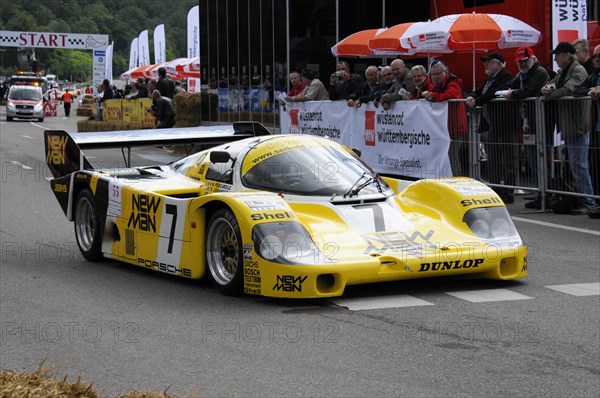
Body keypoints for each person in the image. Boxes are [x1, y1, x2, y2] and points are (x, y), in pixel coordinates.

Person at [540, 41, 595, 215]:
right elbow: (553, 85)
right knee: (575, 165)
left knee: (580, 165)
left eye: (557, 55)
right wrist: (545, 89)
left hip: (578, 125)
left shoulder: (578, 71)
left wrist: (547, 97)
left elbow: (566, 90)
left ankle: (590, 203)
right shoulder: (563, 71)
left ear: (567, 55)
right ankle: (584, 200)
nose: (555, 58)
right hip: (569, 125)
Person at [499, 47, 549, 209]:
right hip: (529, 122)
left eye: (524, 60)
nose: (521, 64)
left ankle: (545, 194)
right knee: (533, 160)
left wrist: (512, 94)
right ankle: (540, 194)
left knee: (540, 159)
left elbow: (529, 91)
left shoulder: (539, 72)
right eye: (519, 62)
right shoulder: (522, 75)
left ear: (532, 58)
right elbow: (510, 85)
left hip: (540, 121)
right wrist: (506, 91)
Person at [465, 53, 515, 202]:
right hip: (492, 124)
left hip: (506, 124)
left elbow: (492, 92)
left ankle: (508, 193)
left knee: (508, 160)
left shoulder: (506, 76)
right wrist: (472, 96)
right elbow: (480, 90)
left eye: (489, 62)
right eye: (485, 62)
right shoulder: (490, 79)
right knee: (493, 158)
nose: (485, 64)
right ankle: (496, 189)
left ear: (499, 64)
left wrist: (477, 100)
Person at [421, 60, 468, 176]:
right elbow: (432, 92)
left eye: (438, 74)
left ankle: (457, 181)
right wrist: (428, 94)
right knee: (445, 157)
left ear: (444, 72)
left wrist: (432, 96)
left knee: (452, 157)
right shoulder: (437, 84)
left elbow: (451, 95)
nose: (435, 77)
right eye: (433, 74)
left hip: (455, 127)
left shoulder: (453, 82)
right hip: (443, 128)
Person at [574, 44, 600, 218]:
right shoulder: (594, 75)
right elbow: (577, 90)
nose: (597, 59)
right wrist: (591, 90)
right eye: (595, 56)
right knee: (596, 166)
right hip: (596, 128)